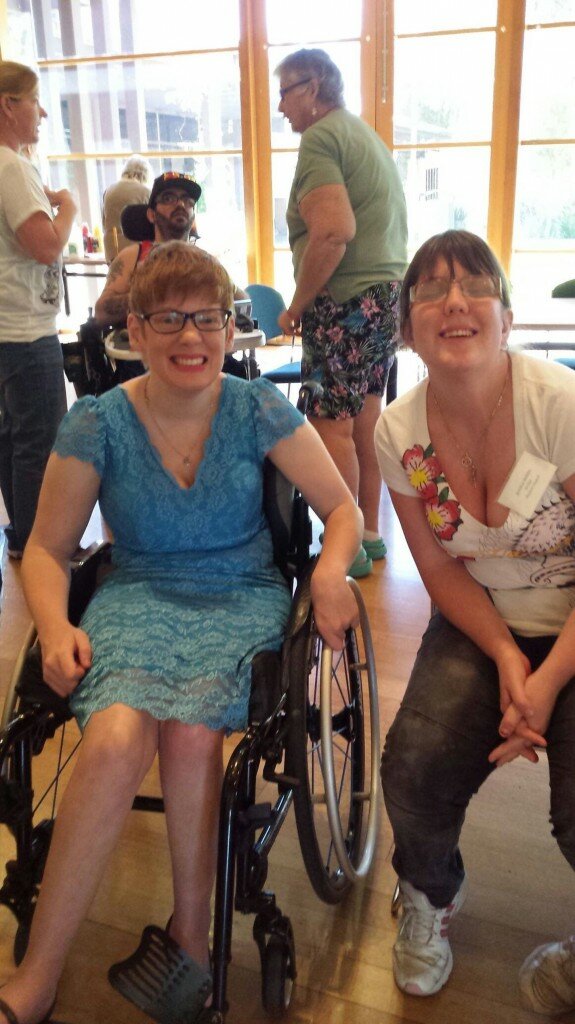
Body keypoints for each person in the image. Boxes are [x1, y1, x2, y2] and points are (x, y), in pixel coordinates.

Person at [1, 241, 362, 1024]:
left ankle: (191, 937)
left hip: (238, 592)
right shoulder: (97, 422)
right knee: (113, 739)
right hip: (137, 591)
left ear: (228, 330)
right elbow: (45, 549)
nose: (189, 337)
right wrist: (56, 623)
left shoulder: (256, 407)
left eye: (205, 318)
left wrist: (329, 575)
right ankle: (37, 976)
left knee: (194, 735)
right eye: (168, 318)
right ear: (134, 327)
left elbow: (342, 511)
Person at [374, 229, 575, 1014]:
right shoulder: (402, 435)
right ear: (408, 324)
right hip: (481, 618)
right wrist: (501, 653)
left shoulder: (556, 406)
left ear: (506, 312)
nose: (452, 300)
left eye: (472, 285)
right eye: (428, 288)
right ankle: (430, 894)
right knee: (413, 765)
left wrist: (548, 678)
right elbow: (436, 570)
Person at [275, 48, 408, 578]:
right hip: (384, 295)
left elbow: (333, 231)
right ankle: (368, 535)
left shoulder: (321, 137)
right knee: (364, 417)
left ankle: (344, 545)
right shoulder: (361, 134)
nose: (281, 107)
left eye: (284, 92)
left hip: (348, 298)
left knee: (330, 420)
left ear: (311, 89)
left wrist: (296, 307)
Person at [0, 60, 76, 560]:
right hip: (25, 331)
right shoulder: (12, 166)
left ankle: (23, 537)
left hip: (8, 328)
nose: (43, 112)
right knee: (41, 442)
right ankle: (39, 544)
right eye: (35, 101)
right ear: (9, 105)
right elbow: (45, 245)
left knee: (12, 436)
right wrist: (67, 206)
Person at [94, 170, 246, 328]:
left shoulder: (205, 262)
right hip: (145, 349)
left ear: (193, 216)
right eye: (168, 198)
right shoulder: (133, 256)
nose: (180, 204)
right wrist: (160, 295)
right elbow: (101, 312)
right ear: (152, 214)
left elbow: (243, 303)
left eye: (188, 201)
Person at [101, 154, 151, 262]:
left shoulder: (109, 190)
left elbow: (104, 222)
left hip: (111, 248)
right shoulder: (145, 192)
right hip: (135, 249)